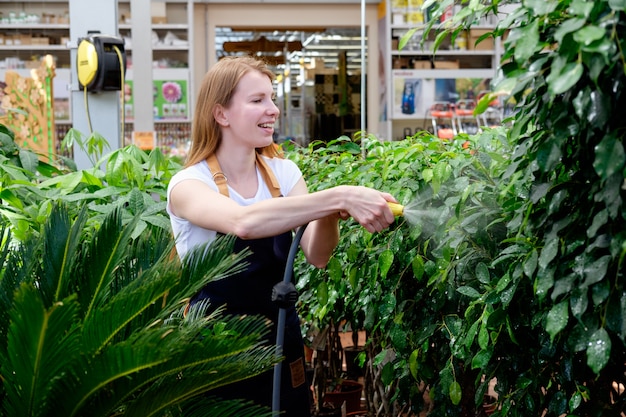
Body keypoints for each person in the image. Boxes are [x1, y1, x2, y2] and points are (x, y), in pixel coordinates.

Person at [166, 55, 397, 416]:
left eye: (271, 99)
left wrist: (329, 214)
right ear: (221, 114)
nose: (273, 110)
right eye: (257, 100)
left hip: (279, 338)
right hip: (214, 346)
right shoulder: (188, 184)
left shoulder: (284, 173)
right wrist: (338, 195)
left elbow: (318, 255)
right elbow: (243, 222)